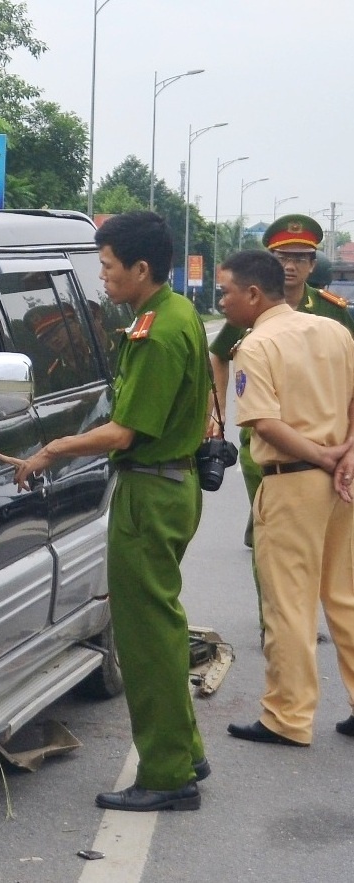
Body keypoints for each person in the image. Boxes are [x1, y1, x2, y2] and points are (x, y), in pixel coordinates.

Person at [0, 211, 210, 811]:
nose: (103, 278)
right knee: (161, 626)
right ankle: (184, 749)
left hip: (149, 493)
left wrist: (51, 450)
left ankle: (167, 777)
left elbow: (124, 432)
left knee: (145, 640)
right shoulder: (174, 311)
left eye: (110, 268)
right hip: (167, 486)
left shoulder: (158, 334)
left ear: (141, 269)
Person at [218, 249, 354, 747]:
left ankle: (289, 716)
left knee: (289, 605)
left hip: (294, 482)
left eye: (226, 292)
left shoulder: (255, 347)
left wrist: (322, 457)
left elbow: (264, 422)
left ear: (253, 294)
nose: (222, 301)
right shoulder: (334, 330)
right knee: (344, 596)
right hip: (343, 481)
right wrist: (344, 456)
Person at [208, 214, 354, 624]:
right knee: (273, 538)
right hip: (269, 445)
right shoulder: (247, 308)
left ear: (313, 265)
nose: (291, 265)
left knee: (326, 541)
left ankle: (302, 613)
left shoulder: (333, 313)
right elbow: (218, 358)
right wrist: (217, 418)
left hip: (329, 444)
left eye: (301, 258)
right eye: (282, 257)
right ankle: (275, 619)